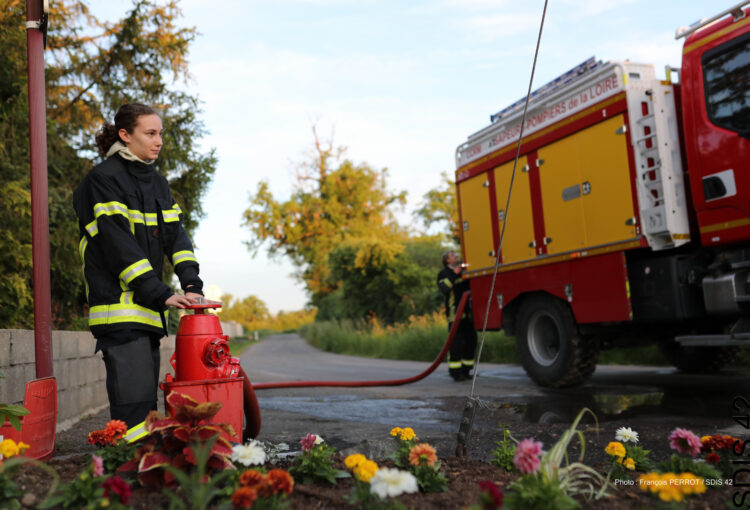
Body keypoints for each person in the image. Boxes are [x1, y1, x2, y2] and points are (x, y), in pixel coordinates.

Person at [74, 103, 203, 428]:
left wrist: (191, 284)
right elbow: (117, 246)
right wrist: (158, 292)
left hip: (148, 314)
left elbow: (177, 238)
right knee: (134, 415)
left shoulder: (157, 183)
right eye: (150, 133)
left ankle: (145, 472)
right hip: (119, 314)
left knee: (148, 413)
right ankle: (126, 476)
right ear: (125, 135)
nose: (158, 141)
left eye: (160, 133)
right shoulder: (102, 180)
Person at [437, 250, 477, 381]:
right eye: (452, 255)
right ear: (447, 261)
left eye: (456, 254)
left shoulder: (465, 270)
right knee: (456, 345)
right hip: (455, 315)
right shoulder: (444, 273)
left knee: (471, 342)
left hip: (468, 314)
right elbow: (444, 288)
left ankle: (466, 371)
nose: (456, 256)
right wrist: (454, 275)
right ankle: (455, 372)